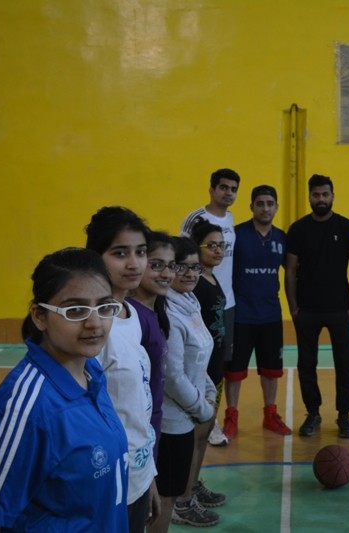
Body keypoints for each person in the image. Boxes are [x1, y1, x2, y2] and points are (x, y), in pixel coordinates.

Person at [0, 248, 129, 533]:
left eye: (103, 307)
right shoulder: (27, 409)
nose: (95, 323)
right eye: (75, 310)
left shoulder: (92, 372)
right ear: (39, 317)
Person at [85, 206, 160, 533]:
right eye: (120, 253)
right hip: (106, 484)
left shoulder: (131, 314)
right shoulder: (92, 328)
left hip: (137, 476)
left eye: (140, 252)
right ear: (96, 257)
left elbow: (137, 409)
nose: (134, 263)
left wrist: (148, 476)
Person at [285, 174, 349, 438]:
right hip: (307, 310)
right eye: (316, 195)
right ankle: (313, 413)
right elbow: (290, 270)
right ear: (310, 197)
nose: (321, 199)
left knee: (345, 365)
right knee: (307, 364)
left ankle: (344, 414)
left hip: (340, 309)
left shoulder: (347, 227)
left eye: (325, 194)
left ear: (332, 196)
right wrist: (293, 308)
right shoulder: (298, 229)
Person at [159, 237, 220, 530]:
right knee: (167, 491)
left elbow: (199, 358)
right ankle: (181, 505)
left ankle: (188, 494)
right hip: (174, 416)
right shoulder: (169, 314)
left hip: (192, 406)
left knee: (190, 459)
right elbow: (172, 376)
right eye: (181, 267)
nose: (190, 274)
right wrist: (202, 407)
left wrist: (208, 390)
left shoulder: (190, 302)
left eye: (195, 267)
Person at [223, 185, 292, 439]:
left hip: (271, 314)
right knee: (234, 372)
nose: (265, 208)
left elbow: (292, 271)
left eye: (270, 203)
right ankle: (231, 415)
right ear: (251, 206)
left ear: (276, 207)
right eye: (260, 203)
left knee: (271, 369)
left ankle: (270, 414)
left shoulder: (281, 237)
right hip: (241, 315)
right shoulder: (237, 234)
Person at [180, 168, 240, 446]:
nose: (228, 193)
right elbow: (183, 255)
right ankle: (200, 419)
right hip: (200, 299)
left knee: (218, 363)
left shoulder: (231, 219)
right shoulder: (196, 218)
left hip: (225, 300)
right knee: (197, 360)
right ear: (212, 189)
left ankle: (210, 416)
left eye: (233, 189)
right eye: (223, 187)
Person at [126, 230, 175, 462]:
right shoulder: (132, 316)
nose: (166, 274)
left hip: (152, 424)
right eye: (156, 265)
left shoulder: (154, 312)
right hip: (135, 431)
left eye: (171, 266)